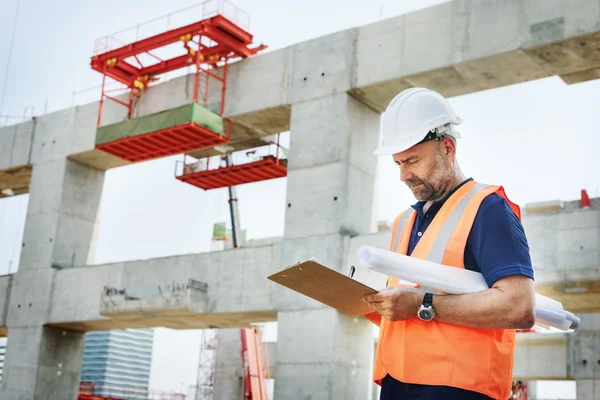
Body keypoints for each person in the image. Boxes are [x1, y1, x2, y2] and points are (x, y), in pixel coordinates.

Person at [362, 88, 536, 400]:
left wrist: (421, 306)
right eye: (398, 163)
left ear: (448, 148)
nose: (404, 175)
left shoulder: (487, 207)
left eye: (413, 160)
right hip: (396, 386)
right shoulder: (405, 222)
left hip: (457, 389)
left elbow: (519, 306)